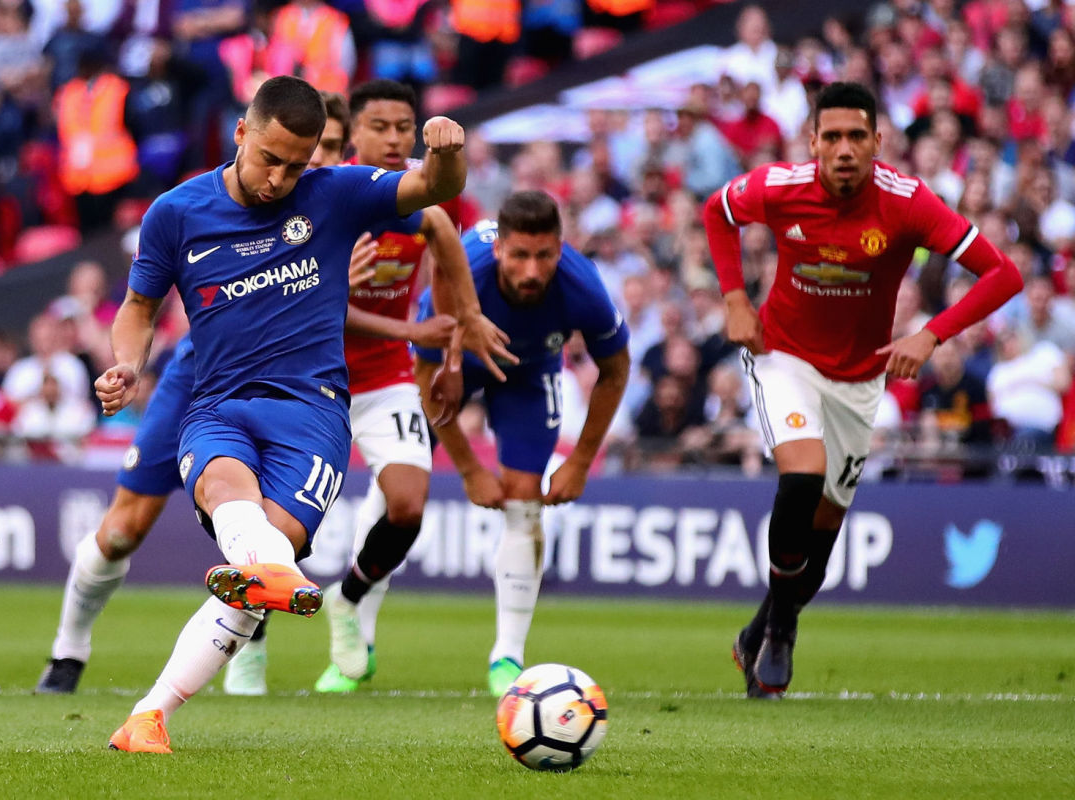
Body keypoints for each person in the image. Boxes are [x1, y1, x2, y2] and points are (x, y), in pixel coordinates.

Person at [95, 75, 468, 753]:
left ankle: (148, 714)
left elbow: (433, 192)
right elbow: (139, 307)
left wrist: (444, 152)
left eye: (296, 165)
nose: (279, 179)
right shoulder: (176, 213)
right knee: (231, 498)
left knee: (261, 568)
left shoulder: (335, 191)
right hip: (219, 405)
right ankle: (255, 587)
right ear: (241, 133)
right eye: (270, 159)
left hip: (314, 416)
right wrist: (128, 363)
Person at [702, 81, 1023, 699]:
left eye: (856, 136)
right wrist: (736, 299)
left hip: (860, 376)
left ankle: (764, 628)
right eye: (832, 137)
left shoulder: (907, 203)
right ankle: (784, 630)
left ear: (878, 142)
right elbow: (718, 213)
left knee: (823, 534)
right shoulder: (778, 187)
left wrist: (931, 336)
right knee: (801, 477)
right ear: (812, 142)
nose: (844, 149)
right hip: (783, 356)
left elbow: (1001, 274)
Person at [225, 79, 514, 696]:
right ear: (351, 132)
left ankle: (348, 598)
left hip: (384, 377)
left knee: (408, 506)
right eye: (379, 127)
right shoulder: (325, 198)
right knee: (275, 526)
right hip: (303, 376)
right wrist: (403, 320)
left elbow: (447, 249)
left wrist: (457, 345)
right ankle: (249, 641)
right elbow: (308, 305)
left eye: (403, 127)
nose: (393, 138)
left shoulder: (420, 197)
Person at [413, 191, 631, 696]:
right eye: (520, 256)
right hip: (455, 362)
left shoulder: (582, 288)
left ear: (560, 249)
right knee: (399, 482)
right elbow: (425, 371)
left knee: (524, 499)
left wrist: (579, 460)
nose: (532, 271)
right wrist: (468, 468)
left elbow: (616, 369)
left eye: (544, 256)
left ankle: (507, 656)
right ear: (498, 252)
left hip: (530, 373)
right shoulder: (460, 273)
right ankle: (357, 612)